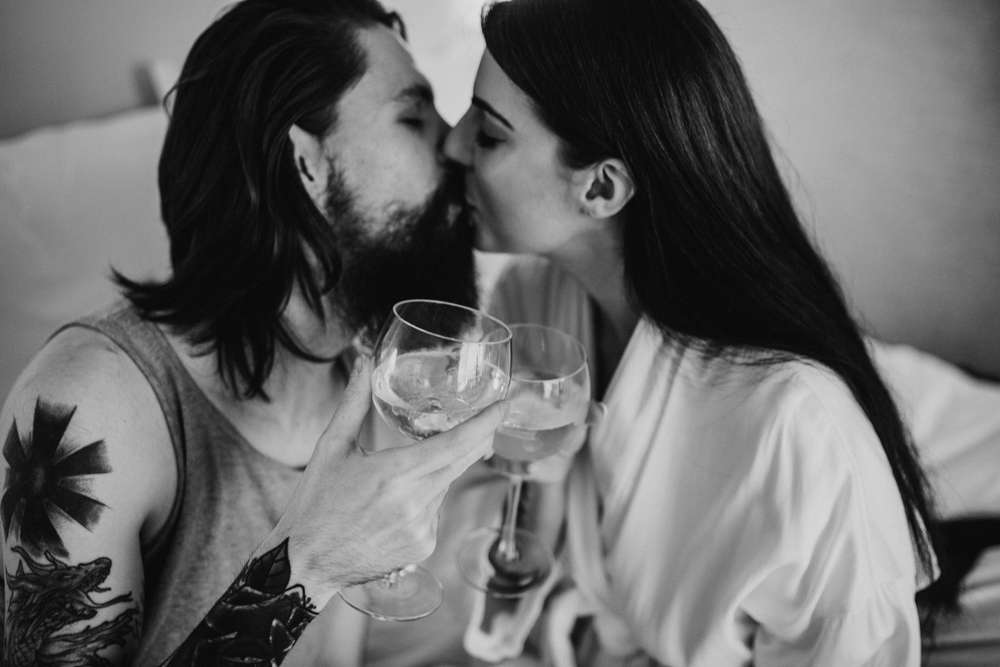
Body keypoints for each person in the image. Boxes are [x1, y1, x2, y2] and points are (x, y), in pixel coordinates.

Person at [0, 1, 509, 665]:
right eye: (413, 118)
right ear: (304, 163)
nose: (456, 146)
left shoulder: (379, 377)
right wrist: (309, 565)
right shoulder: (86, 416)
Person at [443, 0, 950, 663]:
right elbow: (526, 526)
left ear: (601, 188)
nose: (451, 144)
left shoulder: (796, 431)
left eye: (488, 134)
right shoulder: (531, 300)